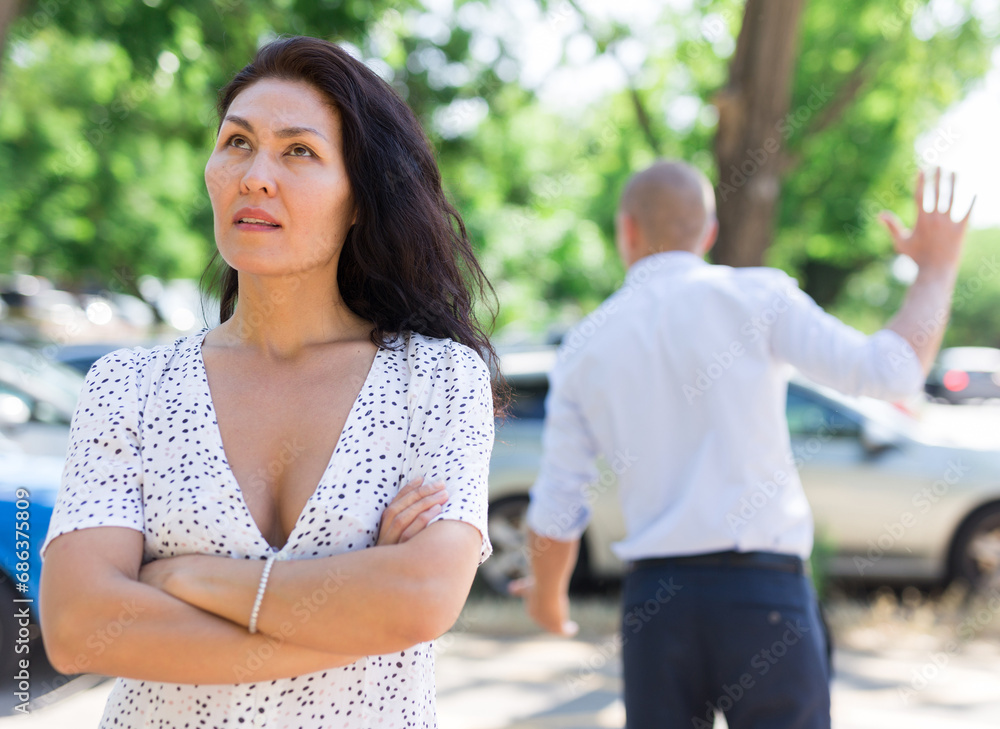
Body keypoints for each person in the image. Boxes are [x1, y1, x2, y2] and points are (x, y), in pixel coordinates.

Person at [39, 35, 505, 729]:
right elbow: (79, 627)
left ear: (360, 198)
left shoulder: (435, 378)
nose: (256, 175)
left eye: (299, 151)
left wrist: (186, 577)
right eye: (237, 142)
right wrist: (356, 613)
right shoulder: (129, 385)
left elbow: (422, 597)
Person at [514, 160, 974, 728]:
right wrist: (936, 269)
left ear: (626, 230)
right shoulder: (760, 297)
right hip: (765, 594)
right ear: (708, 232)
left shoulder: (584, 345)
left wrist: (548, 599)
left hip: (658, 608)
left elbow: (558, 504)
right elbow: (893, 372)